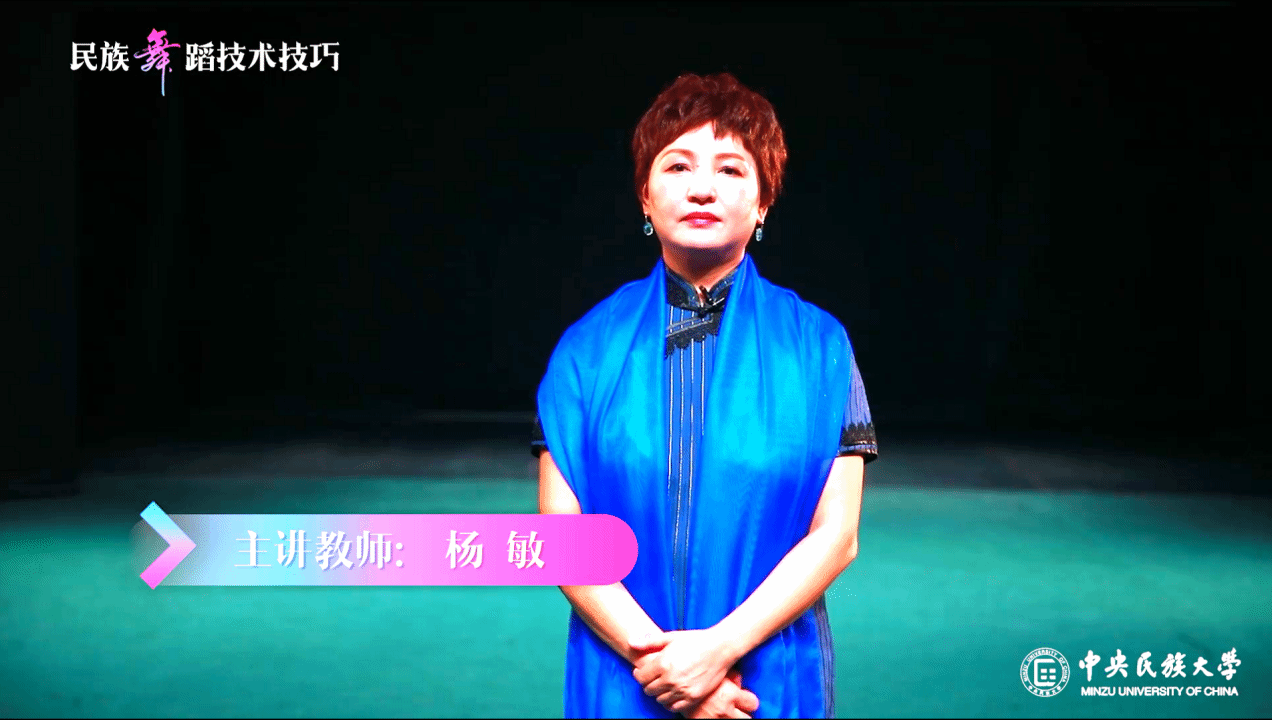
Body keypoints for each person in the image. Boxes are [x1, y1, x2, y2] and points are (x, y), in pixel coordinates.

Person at [533, 72, 878, 719]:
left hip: (764, 681)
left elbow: (837, 536)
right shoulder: (585, 349)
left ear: (763, 201)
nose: (701, 187)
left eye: (730, 169)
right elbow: (562, 537)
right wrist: (668, 669)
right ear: (644, 195)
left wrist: (718, 652)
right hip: (626, 674)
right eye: (677, 165)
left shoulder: (820, 345)